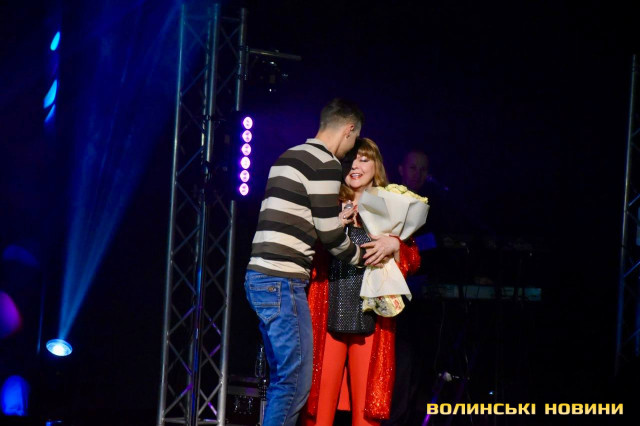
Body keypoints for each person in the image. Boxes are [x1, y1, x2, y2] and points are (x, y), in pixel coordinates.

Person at [244, 99, 395, 426]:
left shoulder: (289, 156)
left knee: (287, 379)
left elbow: (296, 219)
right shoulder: (325, 163)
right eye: (353, 144)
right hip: (283, 280)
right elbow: (330, 238)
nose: (350, 155)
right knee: (294, 383)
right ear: (348, 129)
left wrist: (336, 223)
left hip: (260, 277)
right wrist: (362, 256)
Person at [302, 138, 421, 426]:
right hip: (329, 313)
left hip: (370, 318)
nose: (355, 166)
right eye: (350, 160)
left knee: (367, 409)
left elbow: (413, 259)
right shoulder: (328, 202)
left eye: (364, 159)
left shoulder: (389, 208)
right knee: (318, 408)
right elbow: (305, 249)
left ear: (376, 165)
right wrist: (332, 227)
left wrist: (395, 244)